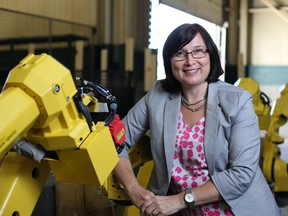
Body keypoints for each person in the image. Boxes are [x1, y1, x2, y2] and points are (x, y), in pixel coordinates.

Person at [113, 23, 279, 216]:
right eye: (180, 53)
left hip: (234, 210)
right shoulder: (157, 96)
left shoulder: (238, 101)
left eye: (198, 51)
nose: (190, 61)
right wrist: (133, 189)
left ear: (211, 56)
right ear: (169, 60)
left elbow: (241, 174)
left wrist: (180, 200)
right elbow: (116, 142)